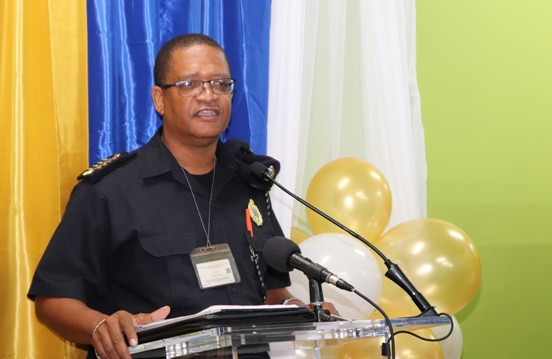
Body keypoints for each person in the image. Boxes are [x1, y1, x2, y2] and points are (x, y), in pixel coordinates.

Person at [28, 33, 334, 359]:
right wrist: (100, 325)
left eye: (220, 83)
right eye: (190, 85)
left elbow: (270, 290)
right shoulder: (110, 191)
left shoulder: (250, 183)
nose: (209, 96)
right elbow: (53, 298)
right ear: (160, 99)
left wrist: (297, 308)